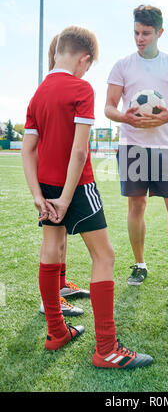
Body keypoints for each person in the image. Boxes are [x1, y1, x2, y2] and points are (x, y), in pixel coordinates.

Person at [22, 25, 153, 369]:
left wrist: (39, 196)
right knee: (105, 256)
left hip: (47, 188)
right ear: (84, 59)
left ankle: (57, 332)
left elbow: (28, 149)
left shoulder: (37, 95)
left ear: (56, 52)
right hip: (76, 187)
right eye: (88, 65)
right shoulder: (81, 87)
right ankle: (107, 348)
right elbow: (79, 152)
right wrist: (66, 198)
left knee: (51, 249)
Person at [105, 5, 168, 291]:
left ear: (160, 33)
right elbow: (109, 107)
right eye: (136, 32)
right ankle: (139, 264)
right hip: (132, 145)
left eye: (146, 33)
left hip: (165, 146)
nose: (140, 38)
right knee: (137, 205)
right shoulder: (122, 65)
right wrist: (125, 117)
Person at [39, 34, 90, 319]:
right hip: (57, 176)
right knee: (53, 241)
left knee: (59, 239)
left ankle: (59, 288)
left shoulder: (53, 88)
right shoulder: (57, 89)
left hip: (53, 176)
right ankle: (51, 300)